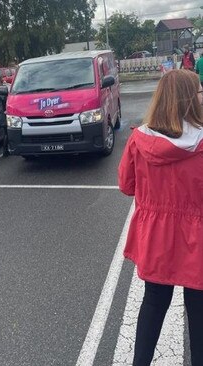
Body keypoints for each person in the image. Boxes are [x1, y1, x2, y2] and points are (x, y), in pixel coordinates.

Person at [118, 69, 203, 366]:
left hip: (156, 239)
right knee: (199, 310)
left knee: (154, 302)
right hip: (197, 240)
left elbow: (127, 186)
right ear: (191, 99)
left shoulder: (139, 140)